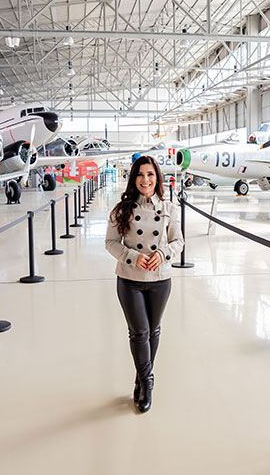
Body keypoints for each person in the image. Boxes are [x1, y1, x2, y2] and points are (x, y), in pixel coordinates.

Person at [105, 156, 184, 413]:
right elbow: (111, 242)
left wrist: (163, 254)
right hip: (130, 279)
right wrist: (133, 256)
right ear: (133, 179)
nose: (145, 180)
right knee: (139, 332)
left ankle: (140, 378)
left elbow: (179, 242)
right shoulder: (121, 209)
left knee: (152, 331)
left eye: (150, 174)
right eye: (140, 175)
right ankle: (148, 383)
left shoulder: (169, 208)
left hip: (160, 279)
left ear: (157, 178)